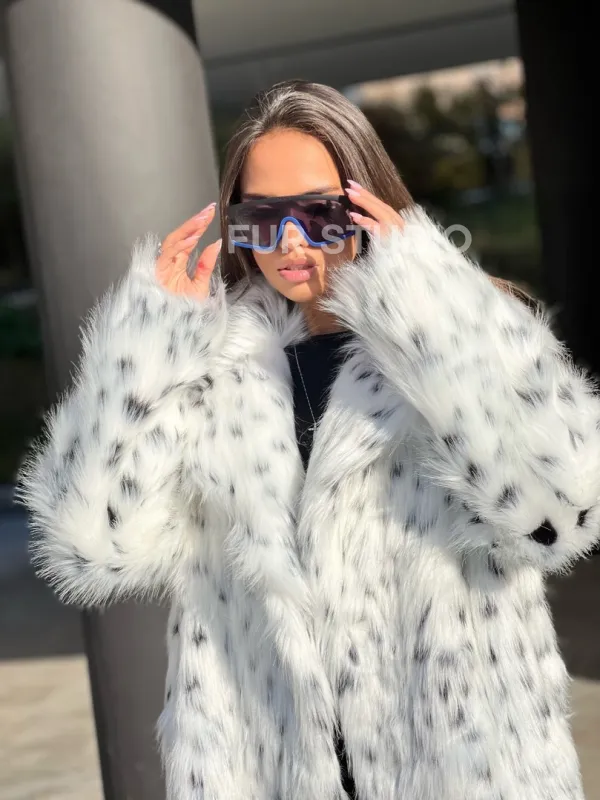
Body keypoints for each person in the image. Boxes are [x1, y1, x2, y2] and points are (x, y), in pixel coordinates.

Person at [16, 79, 600, 800]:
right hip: (269, 770)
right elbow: (91, 548)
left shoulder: (461, 333)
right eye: (262, 217)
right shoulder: (211, 370)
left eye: (319, 212)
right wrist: (143, 351)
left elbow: (555, 518)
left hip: (458, 768)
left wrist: (430, 311)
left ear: (366, 203)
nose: (289, 240)